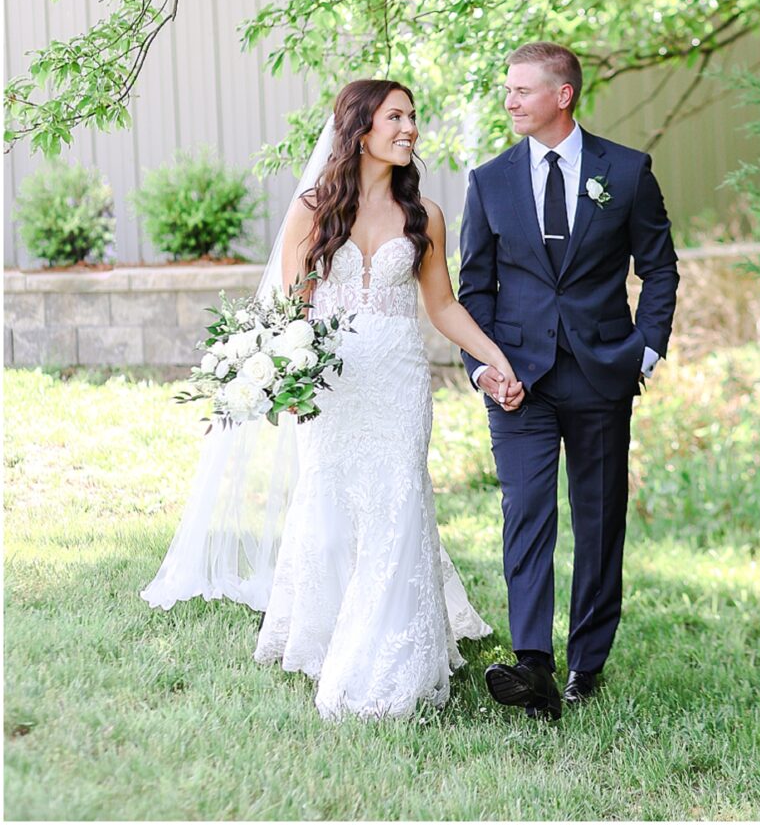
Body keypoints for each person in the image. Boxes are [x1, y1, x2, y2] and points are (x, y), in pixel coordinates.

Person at [143, 78, 522, 722]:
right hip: (333, 384)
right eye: (396, 116)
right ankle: (328, 631)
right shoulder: (313, 209)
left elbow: (443, 305)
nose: (410, 128)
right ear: (360, 128)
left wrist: (496, 357)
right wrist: (283, 379)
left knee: (399, 498)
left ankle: (398, 651)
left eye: (413, 117)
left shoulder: (424, 214)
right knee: (332, 498)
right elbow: (290, 309)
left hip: (400, 380)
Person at [458, 41, 678, 719]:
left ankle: (586, 663)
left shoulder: (627, 171)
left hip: (601, 374)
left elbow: (660, 269)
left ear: (563, 95)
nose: (510, 101)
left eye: (523, 90)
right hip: (517, 381)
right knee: (526, 514)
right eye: (507, 90)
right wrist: (484, 368)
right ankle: (532, 665)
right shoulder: (488, 180)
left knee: (598, 519)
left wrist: (644, 350)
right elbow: (474, 288)